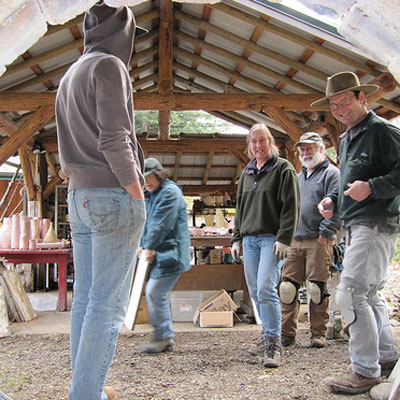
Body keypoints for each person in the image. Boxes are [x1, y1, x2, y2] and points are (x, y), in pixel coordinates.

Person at [55, 3, 147, 399]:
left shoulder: (70, 74)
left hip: (79, 198)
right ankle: (85, 394)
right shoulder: (110, 66)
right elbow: (115, 138)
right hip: (112, 195)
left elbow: (65, 147)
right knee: (107, 307)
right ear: (120, 32)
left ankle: (85, 386)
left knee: (86, 301)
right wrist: (137, 192)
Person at [313, 71, 400, 394]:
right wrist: (332, 201)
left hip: (377, 221)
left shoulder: (381, 131)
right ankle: (385, 356)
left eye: (345, 102)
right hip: (359, 222)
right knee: (370, 293)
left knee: (349, 293)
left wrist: (373, 188)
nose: (339, 109)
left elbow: (386, 177)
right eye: (334, 105)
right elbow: (351, 180)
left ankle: (364, 371)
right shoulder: (350, 136)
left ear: (363, 98)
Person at [231, 123, 300, 368]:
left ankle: (274, 343)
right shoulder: (247, 173)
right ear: (249, 146)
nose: (258, 145)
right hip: (249, 240)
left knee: (266, 288)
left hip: (272, 239)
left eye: (262, 140)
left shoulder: (283, 169)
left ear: (271, 143)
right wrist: (236, 238)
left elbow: (292, 206)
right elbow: (240, 208)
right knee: (256, 291)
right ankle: (267, 335)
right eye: (254, 142)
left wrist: (285, 238)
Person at [279, 132, 341, 349]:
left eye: (310, 148)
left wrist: (326, 234)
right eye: (302, 149)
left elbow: (337, 206)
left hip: (318, 240)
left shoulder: (333, 174)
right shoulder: (298, 177)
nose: (305, 153)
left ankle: (318, 333)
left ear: (321, 149)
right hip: (294, 240)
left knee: (317, 289)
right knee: (288, 288)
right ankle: (287, 333)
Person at [138, 158, 191, 354]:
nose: (147, 182)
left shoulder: (170, 193)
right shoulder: (149, 194)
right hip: (159, 252)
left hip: (172, 252)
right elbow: (145, 222)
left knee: (154, 292)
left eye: (149, 178)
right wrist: (141, 245)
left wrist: (149, 246)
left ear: (158, 174)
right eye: (143, 179)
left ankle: (163, 336)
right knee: (155, 293)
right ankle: (163, 335)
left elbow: (160, 224)